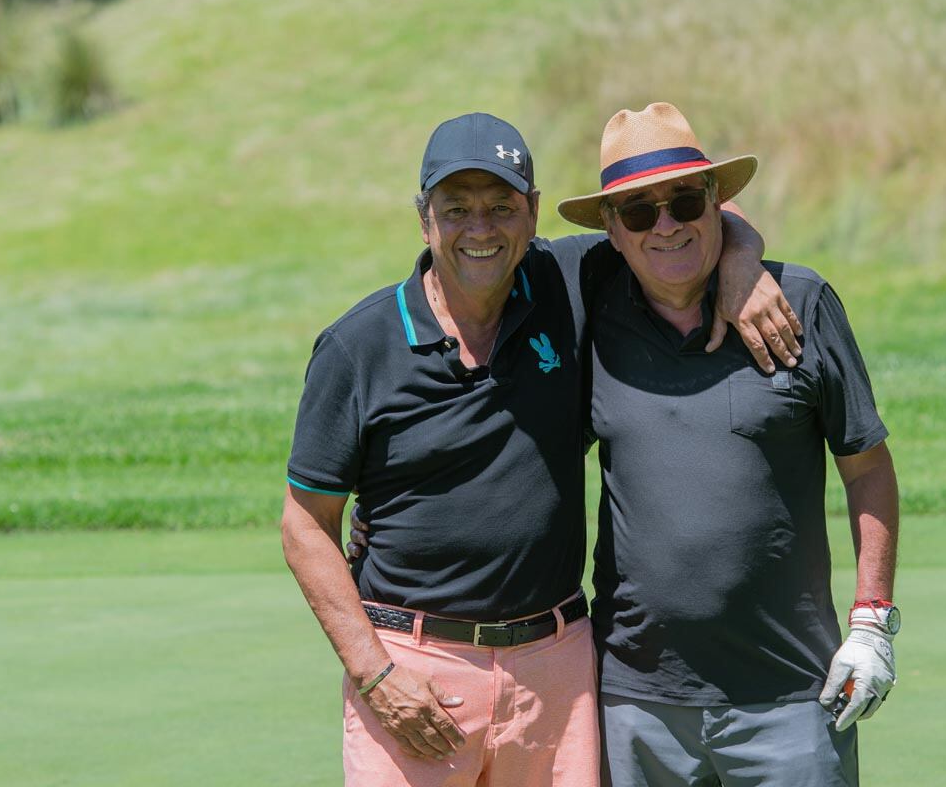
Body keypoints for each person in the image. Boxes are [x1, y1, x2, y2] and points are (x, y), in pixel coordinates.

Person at [281, 111, 800, 786]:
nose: (480, 229)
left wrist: (740, 258)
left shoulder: (568, 281)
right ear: (423, 217)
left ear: (530, 214)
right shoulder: (358, 346)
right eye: (456, 209)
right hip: (415, 672)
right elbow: (304, 524)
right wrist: (376, 675)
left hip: (557, 672)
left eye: (501, 207)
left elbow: (679, 215)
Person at [552, 102, 900, 786]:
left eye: (685, 199)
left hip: (791, 697)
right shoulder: (590, 304)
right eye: (639, 212)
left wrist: (873, 622)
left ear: (717, 200)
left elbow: (867, 466)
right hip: (637, 702)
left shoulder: (801, 302)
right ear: (611, 233)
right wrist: (739, 245)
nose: (667, 224)